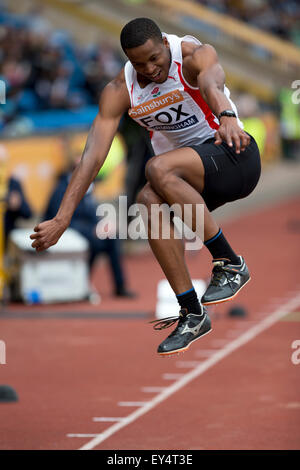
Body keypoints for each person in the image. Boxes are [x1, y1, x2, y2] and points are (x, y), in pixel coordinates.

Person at [30, 18, 261, 356]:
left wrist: (226, 115)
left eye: (155, 58)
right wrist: (62, 218)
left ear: (165, 44)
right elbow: (92, 158)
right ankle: (192, 313)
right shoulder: (119, 90)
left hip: (234, 154)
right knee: (147, 200)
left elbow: (213, 82)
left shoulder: (193, 54)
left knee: (157, 168)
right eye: (140, 63)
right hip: (190, 184)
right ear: (127, 58)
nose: (151, 69)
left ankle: (229, 262)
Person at [43, 163, 136, 298]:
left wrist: (102, 226)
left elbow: (93, 215)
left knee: (112, 238)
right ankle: (82, 283)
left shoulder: (87, 190)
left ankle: (119, 285)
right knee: (96, 244)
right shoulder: (61, 190)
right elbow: (59, 220)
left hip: (86, 232)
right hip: (69, 233)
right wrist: (91, 230)